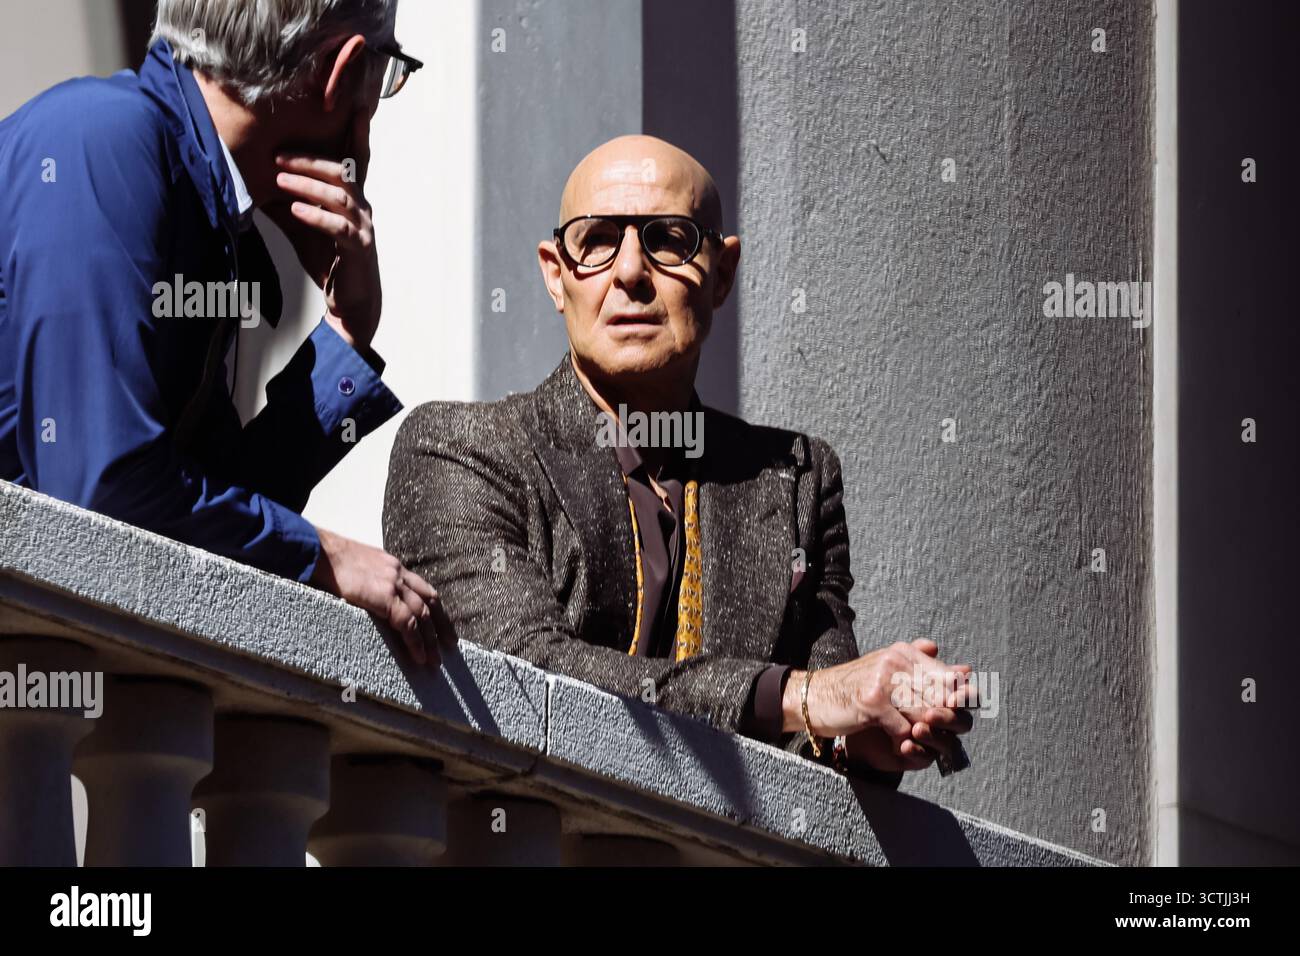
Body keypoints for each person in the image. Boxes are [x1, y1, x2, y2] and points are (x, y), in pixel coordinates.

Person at [383, 135, 974, 781]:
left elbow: (823, 714)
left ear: (722, 274)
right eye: (598, 239)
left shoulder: (798, 475)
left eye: (668, 239)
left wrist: (867, 734)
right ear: (557, 275)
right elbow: (524, 676)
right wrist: (803, 699)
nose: (631, 272)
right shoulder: (461, 449)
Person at [0, 0, 451, 665]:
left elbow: (198, 507)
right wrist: (320, 554)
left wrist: (345, 338)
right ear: (345, 71)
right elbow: (103, 494)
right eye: (383, 75)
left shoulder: (193, 191)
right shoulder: (106, 142)